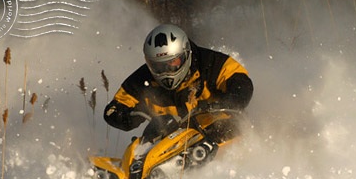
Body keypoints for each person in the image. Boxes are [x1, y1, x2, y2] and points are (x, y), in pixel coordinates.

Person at [104, 23, 253, 143]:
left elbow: (242, 84)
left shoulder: (212, 63)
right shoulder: (142, 80)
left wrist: (221, 105)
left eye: (173, 62)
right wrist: (130, 116)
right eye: (159, 65)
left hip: (221, 132)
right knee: (142, 147)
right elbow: (114, 109)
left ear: (186, 54)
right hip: (171, 141)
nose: (167, 70)